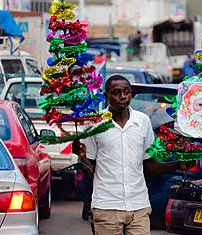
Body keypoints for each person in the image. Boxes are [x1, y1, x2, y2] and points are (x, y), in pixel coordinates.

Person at [74, 75, 194, 235]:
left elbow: (150, 166)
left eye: (127, 92)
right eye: (117, 92)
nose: (123, 97)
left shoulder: (143, 121)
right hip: (107, 206)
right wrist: (81, 156)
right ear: (106, 96)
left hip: (139, 206)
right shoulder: (95, 124)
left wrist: (178, 164)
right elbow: (90, 170)